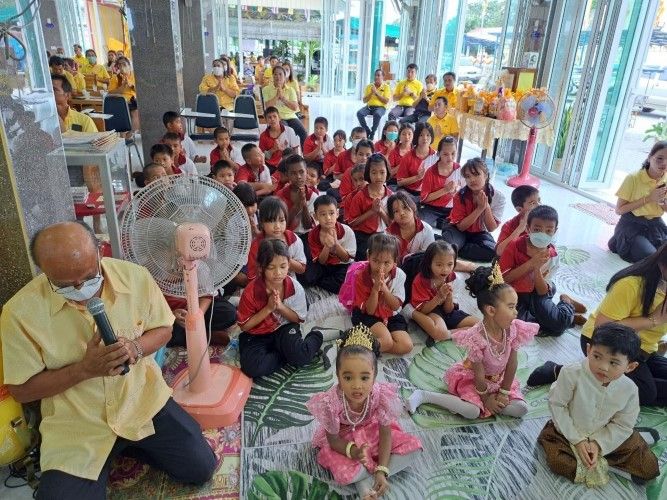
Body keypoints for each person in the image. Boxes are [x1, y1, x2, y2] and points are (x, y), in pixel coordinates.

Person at [0, 222, 216, 498]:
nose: (82, 290)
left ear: (100, 252)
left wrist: (136, 348)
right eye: (65, 285)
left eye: (90, 277)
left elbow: (164, 329)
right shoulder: (19, 313)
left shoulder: (135, 277)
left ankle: (129, 446)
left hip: (141, 402)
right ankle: (110, 452)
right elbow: (21, 390)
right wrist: (83, 370)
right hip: (78, 424)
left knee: (201, 467)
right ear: (44, 271)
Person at [528, 244, 667, 406]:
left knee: (645, 389)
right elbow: (603, 327)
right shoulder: (632, 285)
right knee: (645, 393)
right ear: (662, 264)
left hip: (644, 350)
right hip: (605, 343)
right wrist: (653, 320)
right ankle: (566, 372)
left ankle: (597, 373)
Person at [406, 264, 539, 419]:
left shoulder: (514, 329)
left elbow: (512, 363)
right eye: (511, 307)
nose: (516, 312)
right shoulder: (477, 338)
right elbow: (479, 374)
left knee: (521, 409)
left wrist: (503, 393)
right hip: (475, 381)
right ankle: (425, 396)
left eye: (515, 306)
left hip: (500, 380)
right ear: (491, 310)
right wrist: (486, 399)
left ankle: (491, 405)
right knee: (472, 412)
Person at [307, 324, 422, 499]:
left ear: (374, 376)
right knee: (344, 474)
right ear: (338, 375)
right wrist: (355, 452)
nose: (357, 385)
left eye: (364, 377)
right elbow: (333, 440)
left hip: (371, 431)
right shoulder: (331, 402)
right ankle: (365, 483)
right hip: (344, 440)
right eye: (348, 377)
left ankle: (370, 476)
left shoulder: (380, 395)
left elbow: (385, 435)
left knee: (414, 448)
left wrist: (382, 470)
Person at [538, 323, 659, 487]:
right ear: (588, 350)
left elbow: (622, 424)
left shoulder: (629, 389)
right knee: (559, 462)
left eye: (614, 362)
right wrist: (578, 440)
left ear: (630, 367)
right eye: (597, 356)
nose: (603, 366)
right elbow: (557, 406)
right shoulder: (571, 373)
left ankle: (600, 458)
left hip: (606, 435)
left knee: (649, 468)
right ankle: (608, 464)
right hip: (568, 432)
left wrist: (598, 444)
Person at [237, 239, 324, 378]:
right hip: (257, 334)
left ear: (289, 264)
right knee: (251, 368)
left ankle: (316, 335)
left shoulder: (295, 288)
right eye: (271, 267)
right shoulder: (250, 292)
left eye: (283, 266)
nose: (278, 272)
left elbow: (298, 319)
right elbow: (245, 326)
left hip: (284, 328)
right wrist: (268, 308)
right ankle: (287, 355)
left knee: (302, 356)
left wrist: (280, 307)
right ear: (261, 268)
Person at [499, 205, 587, 336]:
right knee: (515, 322)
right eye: (537, 229)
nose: (542, 234)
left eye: (548, 230)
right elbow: (504, 278)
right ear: (528, 229)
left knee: (557, 324)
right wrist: (531, 263)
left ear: (555, 231)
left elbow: (542, 291)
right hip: (515, 292)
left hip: (540, 292)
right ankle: (569, 318)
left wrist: (537, 269)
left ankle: (566, 303)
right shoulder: (515, 246)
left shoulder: (553, 256)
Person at [348, 233, 412, 355]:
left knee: (406, 346)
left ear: (395, 262)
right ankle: (354, 349)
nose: (380, 267)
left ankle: (364, 345)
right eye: (376, 261)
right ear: (368, 256)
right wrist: (375, 289)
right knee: (387, 342)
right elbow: (370, 311)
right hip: (367, 314)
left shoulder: (399, 275)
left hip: (390, 314)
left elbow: (395, 306)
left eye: (386, 263)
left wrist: (385, 290)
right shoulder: (360, 276)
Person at [402, 241, 478, 344]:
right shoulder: (421, 280)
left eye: (450, 264)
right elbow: (423, 310)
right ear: (429, 264)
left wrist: (449, 296)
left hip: (442, 308)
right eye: (439, 265)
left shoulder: (451, 276)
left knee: (479, 325)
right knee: (439, 332)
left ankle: (445, 334)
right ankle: (410, 312)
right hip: (428, 308)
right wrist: (438, 297)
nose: (445, 269)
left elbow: (448, 310)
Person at [608, 141, 667, 263]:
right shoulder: (633, 178)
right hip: (632, 224)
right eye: (660, 158)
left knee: (663, 256)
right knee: (651, 258)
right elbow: (619, 210)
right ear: (649, 157)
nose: (664, 163)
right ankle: (619, 241)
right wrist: (649, 198)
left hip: (656, 225)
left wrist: (662, 203)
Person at [442, 158, 506, 262]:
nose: (472, 179)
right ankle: (454, 246)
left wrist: (486, 206)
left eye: (476, 174)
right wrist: (479, 209)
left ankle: (458, 247)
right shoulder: (460, 195)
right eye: (468, 176)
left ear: (485, 175)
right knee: (449, 248)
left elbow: (491, 228)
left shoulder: (498, 197)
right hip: (457, 229)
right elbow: (461, 227)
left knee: (493, 252)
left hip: (479, 232)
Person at [246, 196, 307, 280]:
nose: (277, 226)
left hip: (289, 283)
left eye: (281, 220)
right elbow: (252, 276)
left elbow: (302, 269)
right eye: (272, 221)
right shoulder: (256, 246)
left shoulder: (293, 240)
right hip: (265, 285)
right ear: (262, 223)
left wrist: (284, 258)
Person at [304, 195, 356, 293]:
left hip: (341, 265)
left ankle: (324, 281)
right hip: (324, 265)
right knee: (307, 276)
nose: (328, 218)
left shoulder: (347, 231)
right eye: (323, 214)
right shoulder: (313, 234)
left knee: (348, 277)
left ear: (337, 213)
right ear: (315, 216)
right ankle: (326, 281)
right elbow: (321, 261)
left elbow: (346, 259)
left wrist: (336, 244)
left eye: (331, 213)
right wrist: (327, 247)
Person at [346, 154, 393, 261]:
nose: (378, 177)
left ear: (387, 172)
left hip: (383, 236)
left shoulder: (390, 195)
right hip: (363, 236)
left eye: (382, 172)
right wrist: (372, 211)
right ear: (368, 173)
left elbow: (391, 223)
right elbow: (352, 222)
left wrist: (380, 211)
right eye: (374, 172)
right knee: (365, 261)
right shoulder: (360, 196)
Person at [419, 136, 462, 228]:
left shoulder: (460, 170)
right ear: (438, 154)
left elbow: (464, 193)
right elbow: (424, 198)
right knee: (421, 225)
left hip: (451, 210)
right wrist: (445, 190)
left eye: (453, 153)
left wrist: (457, 190)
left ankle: (441, 222)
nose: (450, 158)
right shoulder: (431, 171)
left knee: (455, 229)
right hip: (431, 209)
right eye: (445, 154)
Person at [262, 66, 307, 145]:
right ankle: (287, 152)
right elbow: (267, 107)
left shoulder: (291, 90)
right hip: (277, 117)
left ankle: (305, 153)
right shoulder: (266, 89)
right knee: (286, 132)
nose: (278, 77)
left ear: (285, 76)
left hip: (291, 117)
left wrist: (283, 98)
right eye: (275, 74)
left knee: (303, 132)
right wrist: (277, 96)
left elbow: (294, 107)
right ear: (272, 76)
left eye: (280, 74)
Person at [386, 191, 435, 261]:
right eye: (396, 211)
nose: (402, 213)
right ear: (392, 216)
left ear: (413, 207)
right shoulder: (388, 233)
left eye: (405, 207)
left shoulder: (426, 229)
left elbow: (428, 258)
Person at [276, 155, 318, 235]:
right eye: (293, 173)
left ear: (306, 172)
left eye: (301, 172)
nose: (298, 177)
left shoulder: (312, 196)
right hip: (285, 234)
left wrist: (304, 205)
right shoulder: (280, 196)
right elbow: (281, 225)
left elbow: (308, 226)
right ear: (287, 175)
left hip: (306, 235)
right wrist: (296, 206)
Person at [495, 185, 540, 257]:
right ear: (519, 209)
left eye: (539, 200)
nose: (539, 205)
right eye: (533, 203)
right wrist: (519, 229)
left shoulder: (544, 221)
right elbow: (499, 252)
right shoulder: (509, 225)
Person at [396, 122, 434, 199]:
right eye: (421, 135)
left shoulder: (436, 156)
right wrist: (418, 177)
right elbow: (399, 182)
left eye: (428, 135)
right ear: (416, 137)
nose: (425, 138)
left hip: (429, 195)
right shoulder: (408, 156)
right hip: (409, 193)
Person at [357, 69, 391, 140]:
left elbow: (386, 101)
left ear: (382, 77)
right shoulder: (369, 86)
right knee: (359, 113)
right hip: (369, 107)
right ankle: (367, 130)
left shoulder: (386, 87)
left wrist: (376, 93)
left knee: (377, 114)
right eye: (375, 75)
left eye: (378, 75)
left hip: (381, 108)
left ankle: (372, 133)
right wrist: (371, 93)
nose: (376, 77)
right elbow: (364, 100)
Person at [338, 140, 374, 206]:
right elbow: (344, 197)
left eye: (368, 155)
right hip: (351, 205)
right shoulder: (349, 172)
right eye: (360, 154)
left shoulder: (375, 172)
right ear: (356, 155)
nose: (364, 158)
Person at [108, 57, 139, 132]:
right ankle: (123, 136)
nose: (122, 67)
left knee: (136, 113)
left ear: (129, 65)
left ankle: (130, 134)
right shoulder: (115, 77)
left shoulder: (135, 76)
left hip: (132, 101)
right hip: (120, 102)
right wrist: (123, 86)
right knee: (121, 114)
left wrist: (132, 86)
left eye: (124, 64)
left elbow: (141, 91)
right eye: (120, 65)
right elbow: (110, 92)